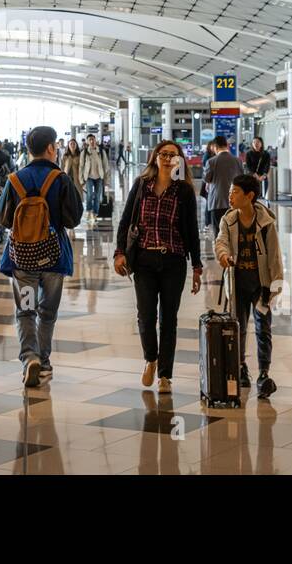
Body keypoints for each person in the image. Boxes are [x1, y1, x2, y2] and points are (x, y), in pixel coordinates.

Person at [113, 139, 203, 394]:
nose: (166, 158)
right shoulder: (142, 185)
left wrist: (196, 266)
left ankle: (165, 375)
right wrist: (119, 253)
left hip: (173, 261)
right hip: (144, 260)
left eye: (172, 155)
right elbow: (125, 222)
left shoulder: (183, 191)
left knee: (168, 319)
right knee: (145, 315)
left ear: (179, 160)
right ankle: (150, 358)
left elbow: (191, 231)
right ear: (154, 157)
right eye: (162, 154)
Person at [0, 126, 83, 388]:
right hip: (53, 258)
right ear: (49, 148)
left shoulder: (14, 180)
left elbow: (3, 218)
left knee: (25, 311)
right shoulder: (60, 178)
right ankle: (44, 362)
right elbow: (73, 218)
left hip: (23, 259)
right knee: (47, 312)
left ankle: (29, 358)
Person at [213, 173, 282, 399]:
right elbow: (221, 241)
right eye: (230, 191)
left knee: (263, 328)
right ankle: (240, 367)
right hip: (237, 282)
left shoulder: (266, 223)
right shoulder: (228, 219)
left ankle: (264, 373)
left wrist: (275, 285)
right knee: (238, 327)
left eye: (235, 192)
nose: (230, 196)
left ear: (250, 196)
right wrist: (223, 255)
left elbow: (274, 256)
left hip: (260, 285)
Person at [203, 134, 243, 234]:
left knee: (219, 233)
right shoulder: (238, 161)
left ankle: (221, 249)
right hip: (234, 202)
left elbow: (207, 179)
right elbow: (242, 179)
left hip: (217, 203)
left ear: (216, 147)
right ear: (226, 145)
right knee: (233, 232)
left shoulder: (211, 162)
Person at [80, 133, 109, 224]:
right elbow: (81, 167)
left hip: (99, 177)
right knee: (89, 195)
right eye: (90, 140)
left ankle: (95, 214)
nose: (92, 141)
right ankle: (89, 212)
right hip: (89, 177)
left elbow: (106, 166)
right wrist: (81, 180)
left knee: (97, 196)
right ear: (88, 142)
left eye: (93, 139)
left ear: (95, 140)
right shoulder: (84, 152)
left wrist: (106, 180)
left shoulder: (101, 151)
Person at [244, 137, 271, 201]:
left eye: (258, 142)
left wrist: (264, 175)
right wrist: (254, 174)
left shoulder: (266, 154)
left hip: (263, 178)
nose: (256, 144)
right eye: (254, 142)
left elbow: (267, 165)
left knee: (262, 196)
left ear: (261, 144)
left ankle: (261, 209)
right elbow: (248, 166)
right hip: (252, 177)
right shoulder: (249, 154)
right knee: (252, 196)